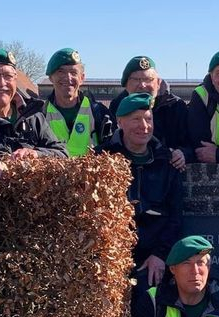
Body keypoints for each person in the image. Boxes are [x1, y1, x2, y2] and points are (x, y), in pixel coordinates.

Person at [95, 93, 184, 290]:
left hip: (154, 257)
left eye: (148, 119)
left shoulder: (167, 161)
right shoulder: (101, 158)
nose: (144, 126)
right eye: (135, 119)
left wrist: (160, 255)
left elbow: (175, 216)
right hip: (110, 256)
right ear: (120, 122)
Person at [108, 55, 189, 170]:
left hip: (164, 173)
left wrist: (183, 153)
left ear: (158, 83)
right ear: (126, 85)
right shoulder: (117, 106)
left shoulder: (175, 106)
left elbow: (191, 143)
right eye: (136, 80)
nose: (142, 85)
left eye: (148, 79)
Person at [42, 47, 114, 156]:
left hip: (90, 173)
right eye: (61, 72)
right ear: (51, 77)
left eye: (73, 72)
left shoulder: (100, 113)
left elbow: (111, 149)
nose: (68, 77)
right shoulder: (39, 114)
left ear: (82, 78)